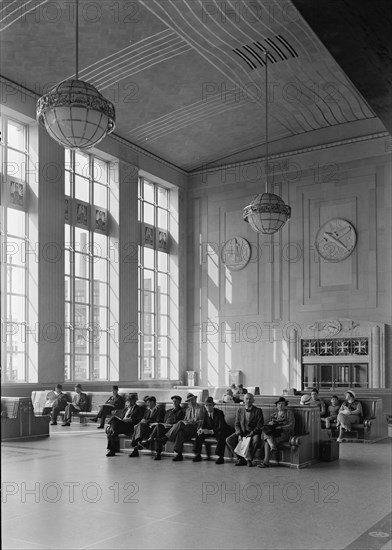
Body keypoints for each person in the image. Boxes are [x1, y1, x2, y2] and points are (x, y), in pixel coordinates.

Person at [225, 393, 264, 467]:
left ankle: (250, 459)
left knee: (256, 440)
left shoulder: (258, 411)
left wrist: (251, 434)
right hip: (242, 432)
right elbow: (236, 424)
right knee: (228, 440)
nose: (248, 400)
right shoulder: (239, 410)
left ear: (253, 400)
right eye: (247, 399)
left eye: (250, 399)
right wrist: (239, 434)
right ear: (244, 400)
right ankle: (240, 459)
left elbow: (259, 425)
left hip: (253, 432)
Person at [164, 393, 205, 462]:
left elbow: (204, 421)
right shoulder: (188, 410)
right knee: (180, 432)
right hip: (188, 427)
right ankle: (179, 454)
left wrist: (195, 421)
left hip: (196, 428)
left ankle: (166, 438)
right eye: (189, 401)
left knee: (180, 423)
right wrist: (188, 421)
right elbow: (185, 420)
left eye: (192, 400)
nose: (191, 402)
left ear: (195, 399)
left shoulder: (201, 408)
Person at [193, 397, 234, 464]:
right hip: (213, 431)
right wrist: (201, 430)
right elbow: (204, 424)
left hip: (222, 430)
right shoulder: (205, 413)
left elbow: (221, 426)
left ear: (213, 406)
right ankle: (198, 454)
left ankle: (221, 457)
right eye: (207, 405)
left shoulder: (219, 413)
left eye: (210, 405)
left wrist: (210, 431)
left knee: (221, 436)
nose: (208, 407)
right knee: (199, 434)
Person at [259, 397, 295, 468]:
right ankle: (272, 446)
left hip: (285, 433)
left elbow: (291, 425)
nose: (280, 406)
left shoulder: (289, 413)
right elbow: (269, 425)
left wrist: (281, 427)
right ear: (276, 406)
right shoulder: (274, 414)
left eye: (282, 404)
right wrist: (270, 423)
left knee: (267, 440)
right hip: (274, 433)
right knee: (265, 431)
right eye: (278, 404)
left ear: (285, 405)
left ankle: (266, 461)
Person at [148, 395, 185, 460]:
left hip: (173, 428)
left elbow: (180, 423)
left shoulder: (182, 411)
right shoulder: (168, 411)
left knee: (159, 430)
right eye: (173, 401)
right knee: (158, 427)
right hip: (166, 427)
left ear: (179, 402)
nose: (174, 403)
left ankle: (151, 442)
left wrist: (171, 425)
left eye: (176, 401)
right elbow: (164, 421)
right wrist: (164, 424)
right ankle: (158, 452)